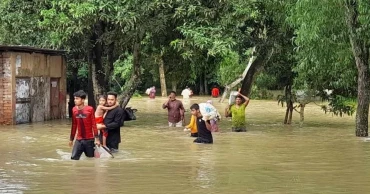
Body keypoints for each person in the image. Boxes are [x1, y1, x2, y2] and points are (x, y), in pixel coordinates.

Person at [69, 90, 100, 160]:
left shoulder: (90, 109)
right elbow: (74, 125)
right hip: (79, 140)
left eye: (77, 99)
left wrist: (97, 139)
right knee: (73, 158)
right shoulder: (74, 110)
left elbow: (94, 124)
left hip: (89, 140)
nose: (75, 100)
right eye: (74, 98)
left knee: (91, 159)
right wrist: (71, 139)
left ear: (83, 100)